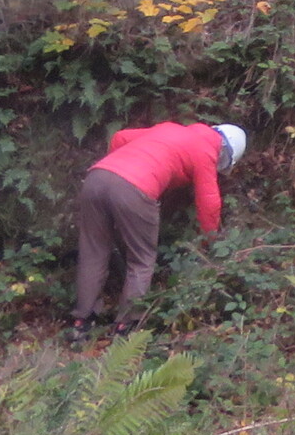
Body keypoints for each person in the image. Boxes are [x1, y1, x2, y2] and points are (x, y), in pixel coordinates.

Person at [68, 119, 247, 340]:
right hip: (136, 187)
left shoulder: (170, 128)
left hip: (97, 177)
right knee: (141, 260)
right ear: (225, 151)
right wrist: (210, 242)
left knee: (93, 251)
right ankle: (126, 328)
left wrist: (116, 177)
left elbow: (120, 137)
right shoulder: (206, 151)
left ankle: (82, 323)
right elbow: (209, 202)